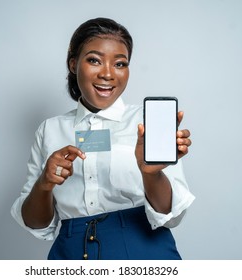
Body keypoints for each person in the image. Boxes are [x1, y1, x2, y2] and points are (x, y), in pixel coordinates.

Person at [11, 17, 195, 260]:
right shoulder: (50, 130)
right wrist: (44, 184)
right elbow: (36, 223)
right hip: (70, 255)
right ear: (74, 64)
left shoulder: (146, 123)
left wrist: (151, 173)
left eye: (120, 64)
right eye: (94, 60)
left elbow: (170, 215)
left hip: (143, 253)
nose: (108, 74)